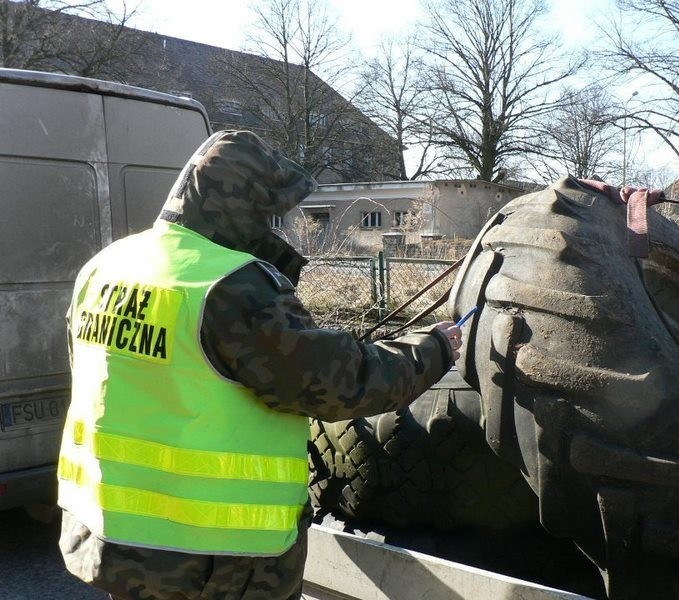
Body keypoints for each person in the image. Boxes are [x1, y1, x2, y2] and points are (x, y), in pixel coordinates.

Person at [57, 130, 462, 600]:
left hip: (112, 539)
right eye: (270, 214)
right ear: (242, 207)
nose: (277, 227)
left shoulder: (107, 265)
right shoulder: (229, 286)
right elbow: (344, 383)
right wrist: (435, 348)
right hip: (213, 562)